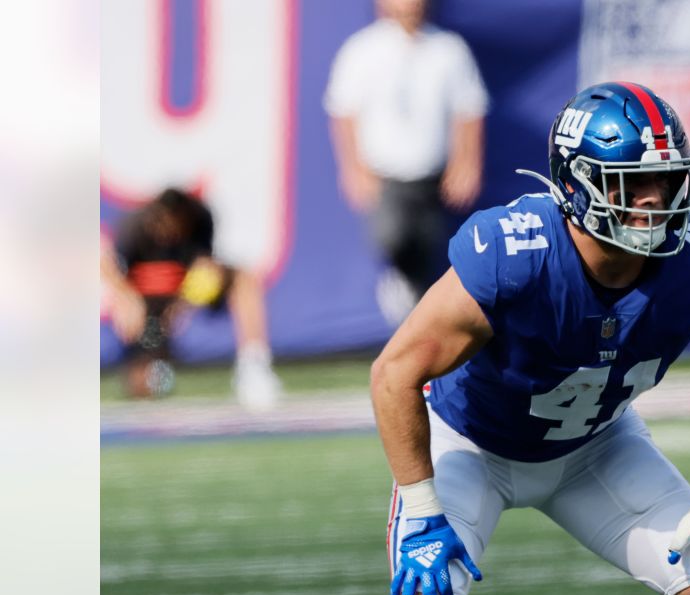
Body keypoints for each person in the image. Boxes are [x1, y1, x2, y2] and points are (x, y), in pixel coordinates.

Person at [335, 82, 690, 595]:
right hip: (470, 447)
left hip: (596, 447)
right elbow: (394, 374)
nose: (656, 202)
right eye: (631, 185)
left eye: (667, 181)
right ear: (577, 185)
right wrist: (425, 515)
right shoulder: (516, 256)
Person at [325, 0, 489, 323]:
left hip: (430, 174)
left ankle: (414, 307)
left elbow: (469, 109)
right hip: (384, 172)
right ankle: (402, 287)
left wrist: (467, 162)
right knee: (391, 235)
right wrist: (353, 168)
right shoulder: (362, 49)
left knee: (428, 247)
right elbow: (343, 111)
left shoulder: (448, 49)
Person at [102, 188, 282, 407]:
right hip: (147, 304)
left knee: (242, 278)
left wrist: (185, 302)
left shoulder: (200, 220)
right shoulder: (133, 227)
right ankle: (151, 365)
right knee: (143, 384)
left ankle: (254, 365)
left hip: (184, 294)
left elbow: (204, 262)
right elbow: (108, 265)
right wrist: (127, 298)